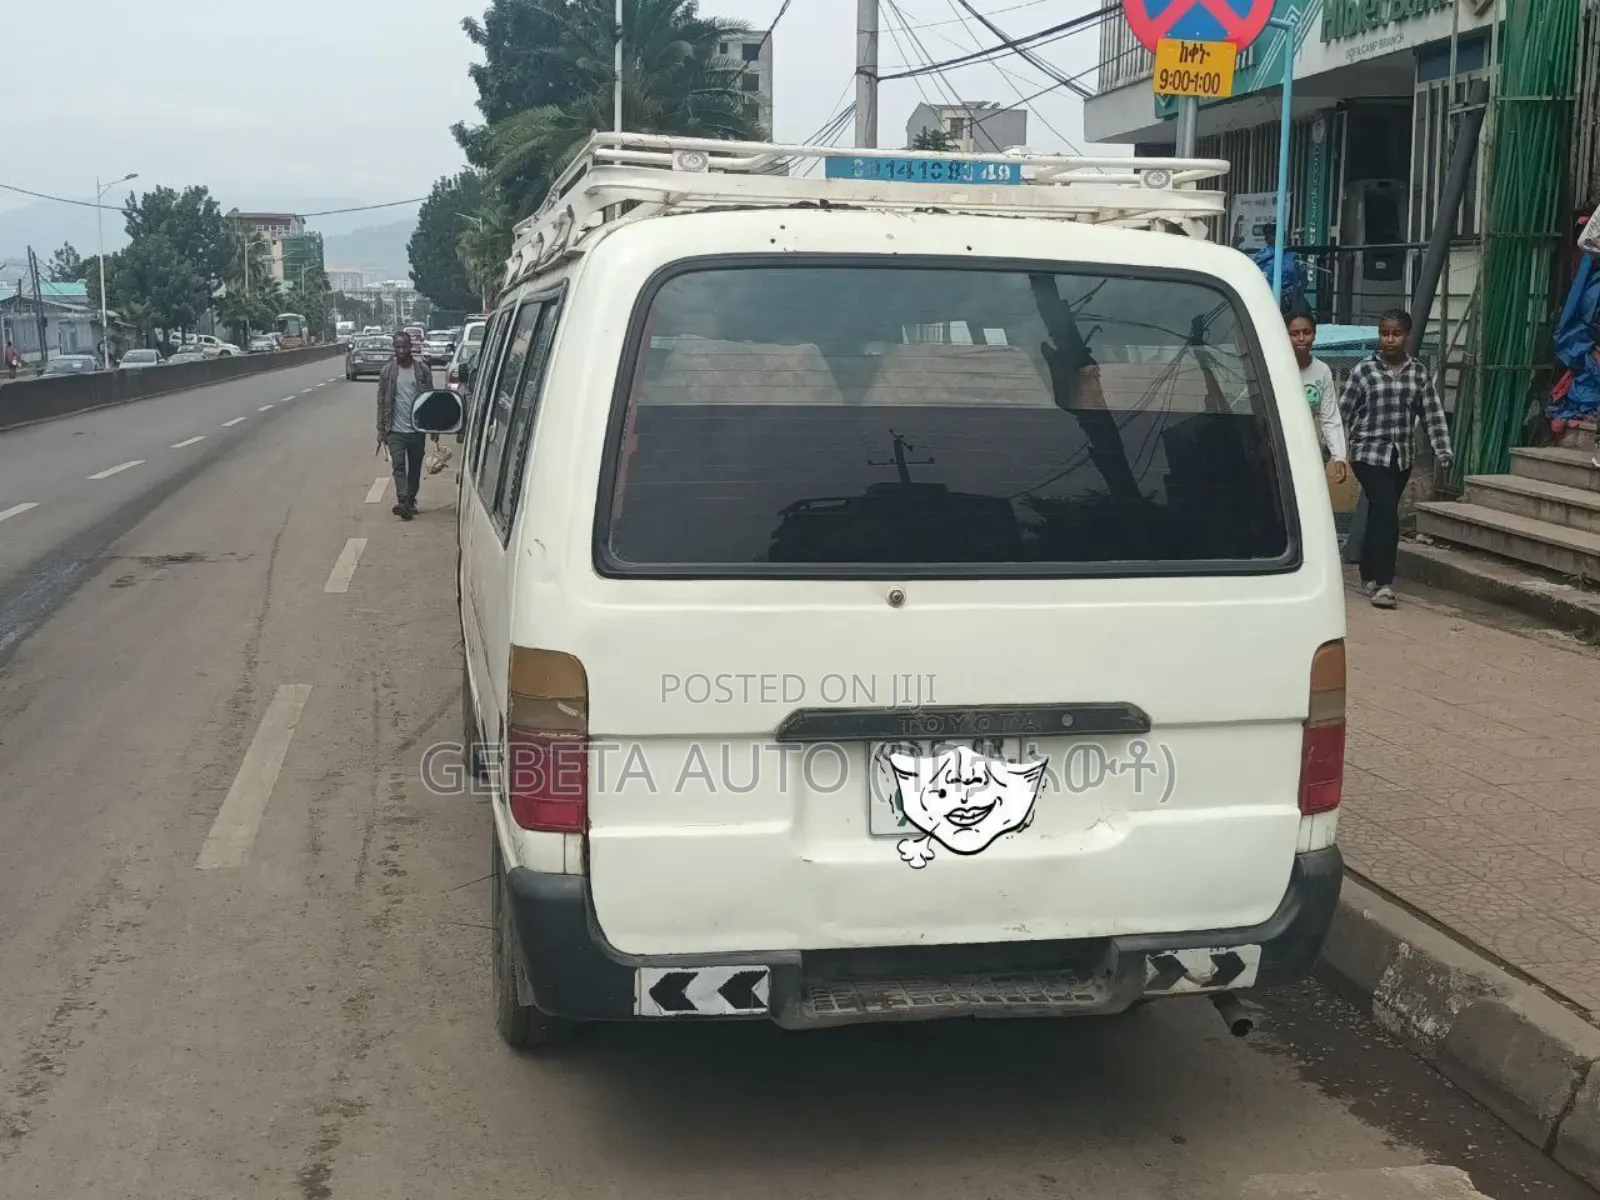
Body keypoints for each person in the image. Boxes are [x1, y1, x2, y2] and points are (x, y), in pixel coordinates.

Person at [1338, 309, 1454, 610]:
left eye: (1396, 333)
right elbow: (1342, 412)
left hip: (1400, 456)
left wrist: (1443, 450)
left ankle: (1367, 571)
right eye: (1384, 333)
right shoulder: (1364, 370)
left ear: (1407, 336)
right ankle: (1385, 583)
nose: (1389, 339)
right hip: (1367, 453)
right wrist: (1335, 452)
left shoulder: (1417, 373)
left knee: (1380, 513)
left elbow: (1432, 413)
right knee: (1387, 511)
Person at [376, 332, 435, 521]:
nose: (401, 351)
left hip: (417, 430)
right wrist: (381, 430)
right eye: (398, 347)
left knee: (415, 467)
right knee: (399, 465)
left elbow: (431, 400)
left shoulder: (422, 371)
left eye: (405, 347)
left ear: (411, 347)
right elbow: (381, 401)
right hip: (395, 430)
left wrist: (433, 427)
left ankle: (410, 500)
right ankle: (402, 501)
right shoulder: (387, 372)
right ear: (394, 348)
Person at [1287, 311, 1347, 466]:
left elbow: (1329, 418)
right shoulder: (1273, 368)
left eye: (1307, 332)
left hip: (1306, 448)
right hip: (1275, 447)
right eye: (1294, 333)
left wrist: (1339, 456)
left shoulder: (1322, 371)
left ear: (1314, 335)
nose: (1301, 338)